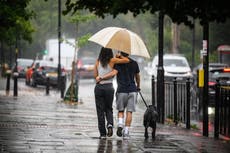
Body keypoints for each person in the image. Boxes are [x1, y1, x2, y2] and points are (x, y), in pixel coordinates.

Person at [99, 51, 140, 139]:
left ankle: (120, 124)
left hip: (122, 90)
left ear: (120, 53)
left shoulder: (118, 63)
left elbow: (113, 73)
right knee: (129, 111)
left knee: (121, 110)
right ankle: (126, 133)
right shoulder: (134, 63)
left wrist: (102, 77)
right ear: (128, 53)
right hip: (132, 90)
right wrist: (138, 86)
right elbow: (137, 76)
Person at [94, 47, 129, 139]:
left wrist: (99, 77)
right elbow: (126, 60)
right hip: (109, 87)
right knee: (109, 108)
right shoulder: (113, 60)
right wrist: (119, 56)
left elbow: (95, 75)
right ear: (110, 52)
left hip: (99, 87)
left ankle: (102, 134)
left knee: (100, 111)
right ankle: (110, 124)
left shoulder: (97, 61)